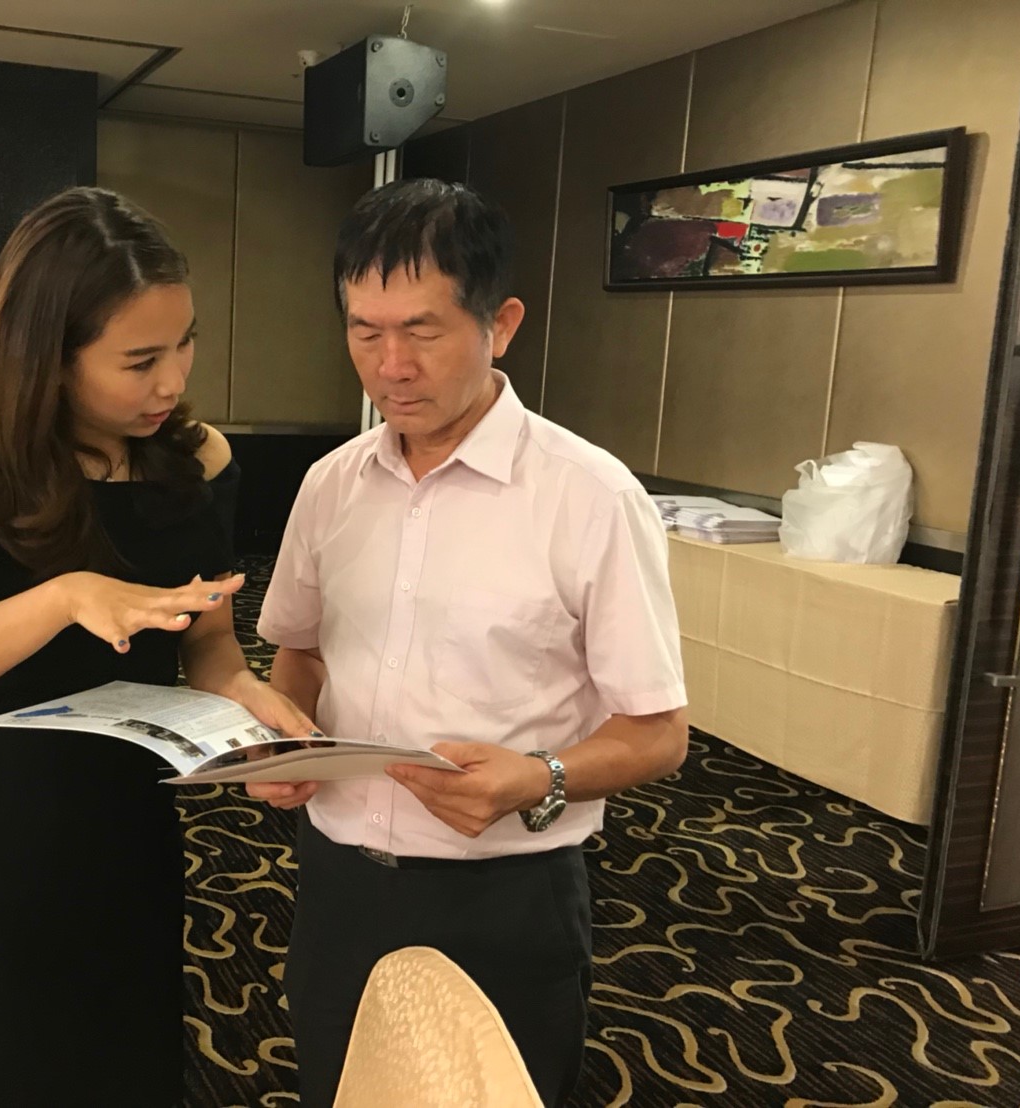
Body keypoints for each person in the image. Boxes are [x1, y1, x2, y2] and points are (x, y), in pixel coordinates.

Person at [251, 178, 690, 1108]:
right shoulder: (329, 486)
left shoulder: (589, 496)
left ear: (502, 324)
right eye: (364, 333)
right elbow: (302, 653)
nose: (391, 367)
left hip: (506, 893)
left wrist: (539, 778)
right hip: (337, 879)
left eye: (423, 331)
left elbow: (657, 733)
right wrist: (283, 736)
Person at [0, 187, 315, 1106]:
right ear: (51, 355)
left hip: (127, 833)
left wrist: (250, 702)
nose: (172, 382)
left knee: (124, 1070)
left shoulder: (196, 463)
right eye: (140, 361)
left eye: (184, 344)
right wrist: (65, 596)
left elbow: (210, 648)